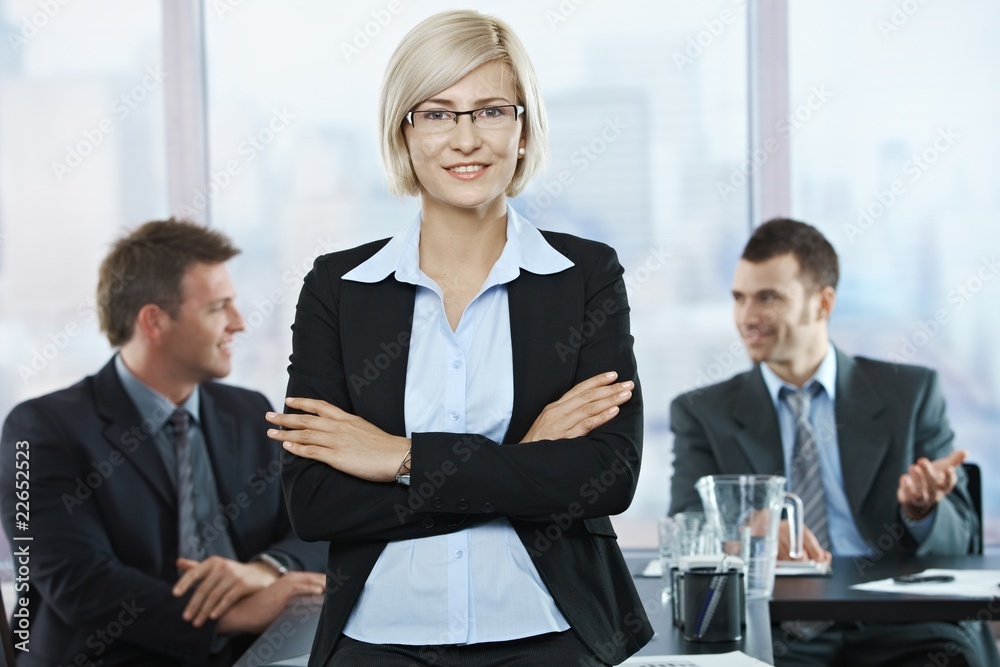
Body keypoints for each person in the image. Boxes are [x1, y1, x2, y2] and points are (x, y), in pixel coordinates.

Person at [265, 10, 652, 667]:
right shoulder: (339, 286)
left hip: (550, 633)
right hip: (376, 641)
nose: (466, 138)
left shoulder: (584, 275)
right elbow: (315, 501)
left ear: (523, 130)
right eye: (438, 113)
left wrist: (401, 455)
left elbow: (605, 476)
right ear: (404, 132)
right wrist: (521, 461)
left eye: (492, 111)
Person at [669, 217, 995, 666]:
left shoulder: (910, 394)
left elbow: (960, 540)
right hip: (778, 624)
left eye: (769, 297)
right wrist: (750, 530)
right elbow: (687, 525)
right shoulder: (703, 412)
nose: (747, 317)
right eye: (740, 298)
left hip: (899, 623)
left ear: (823, 303)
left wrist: (924, 512)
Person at [0, 219, 326, 667]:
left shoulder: (248, 412)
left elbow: (319, 524)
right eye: (218, 308)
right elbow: (77, 581)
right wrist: (231, 617)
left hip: (258, 652)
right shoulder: (41, 428)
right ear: (154, 320)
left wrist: (265, 570)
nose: (239, 323)